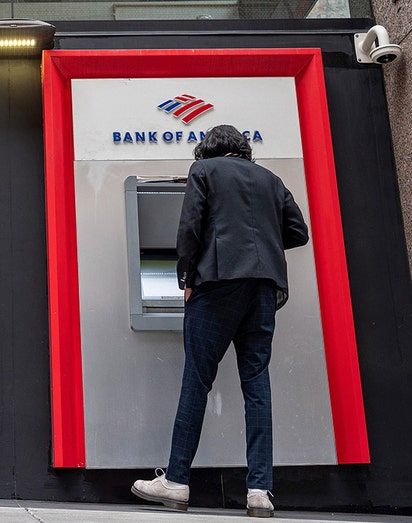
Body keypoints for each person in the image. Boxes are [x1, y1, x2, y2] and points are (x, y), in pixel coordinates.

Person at [130, 124, 309, 518]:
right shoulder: (271, 179)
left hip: (215, 284)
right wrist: (259, 242)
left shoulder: (204, 171)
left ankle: (176, 481)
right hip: (263, 289)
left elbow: (189, 228)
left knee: (197, 379)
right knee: (257, 384)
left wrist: (186, 277)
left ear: (208, 150)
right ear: (242, 150)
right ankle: (260, 490)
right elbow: (298, 232)